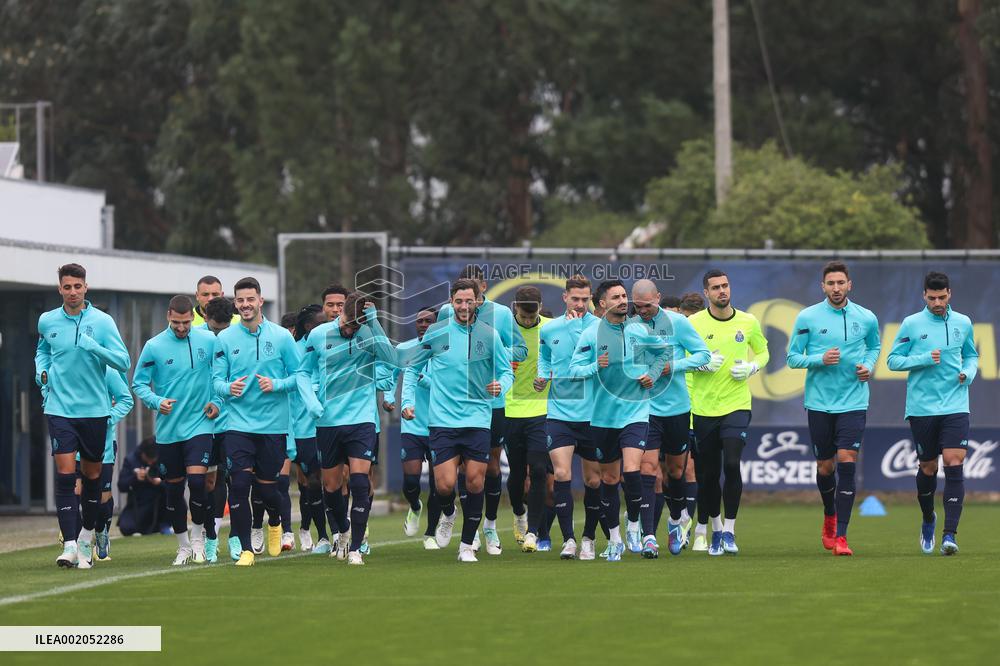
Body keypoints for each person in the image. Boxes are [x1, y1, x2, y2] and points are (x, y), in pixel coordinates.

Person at [401, 278, 514, 563]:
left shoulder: (490, 335)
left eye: (469, 301)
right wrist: (407, 402)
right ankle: (449, 514)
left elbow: (506, 371)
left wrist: (501, 385)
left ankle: (466, 545)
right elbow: (412, 369)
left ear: (478, 301)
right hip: (442, 422)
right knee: (444, 485)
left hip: (477, 420)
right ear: (451, 302)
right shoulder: (437, 333)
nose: (464, 306)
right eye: (458, 301)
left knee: (475, 482)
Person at [36, 263, 131, 569]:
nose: (73, 292)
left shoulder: (103, 322)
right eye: (67, 287)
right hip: (60, 409)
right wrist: (42, 372)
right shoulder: (47, 320)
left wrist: (93, 347)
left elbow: (123, 361)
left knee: (91, 480)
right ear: (59, 289)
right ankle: (70, 544)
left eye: (78, 286)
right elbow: (43, 352)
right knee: (66, 478)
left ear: (86, 287)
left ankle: (88, 536)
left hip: (95, 412)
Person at [569, 280, 671, 562]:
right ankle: (615, 539)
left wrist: (651, 372)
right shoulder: (591, 333)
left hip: (635, 412)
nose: (623, 300)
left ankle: (635, 522)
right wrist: (593, 366)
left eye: (624, 295)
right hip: (602, 418)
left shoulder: (639, 328)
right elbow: (573, 369)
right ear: (602, 303)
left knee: (632, 469)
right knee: (609, 479)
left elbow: (663, 351)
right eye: (616, 297)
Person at [787, 261, 880, 556]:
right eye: (831, 284)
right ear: (823, 287)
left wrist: (868, 366)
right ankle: (830, 515)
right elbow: (792, 357)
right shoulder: (807, 317)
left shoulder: (866, 318)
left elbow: (874, 347)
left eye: (841, 283)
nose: (836, 288)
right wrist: (818, 359)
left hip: (854, 400)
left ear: (849, 284)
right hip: (819, 402)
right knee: (825, 467)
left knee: (847, 458)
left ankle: (841, 536)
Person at [297, 292, 396, 566]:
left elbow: (390, 357)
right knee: (331, 486)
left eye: (357, 326)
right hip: (328, 421)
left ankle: (355, 548)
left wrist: (374, 324)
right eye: (348, 324)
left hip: (362, 418)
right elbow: (302, 373)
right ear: (341, 314)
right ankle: (342, 531)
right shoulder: (319, 335)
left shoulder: (368, 333)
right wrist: (312, 402)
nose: (351, 330)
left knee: (360, 481)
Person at [212, 277, 302, 567]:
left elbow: (300, 376)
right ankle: (247, 549)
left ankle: (275, 522)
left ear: (260, 301)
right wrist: (228, 389)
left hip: (273, 427)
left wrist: (276, 385)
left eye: (251, 299)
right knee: (238, 485)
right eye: (240, 300)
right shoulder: (225, 338)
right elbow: (216, 381)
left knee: (267, 490)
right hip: (237, 426)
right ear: (235, 304)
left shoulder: (281, 337)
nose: (246, 304)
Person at [887, 271, 978, 556]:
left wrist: (968, 372)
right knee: (928, 468)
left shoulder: (963, 322)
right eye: (932, 298)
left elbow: (972, 355)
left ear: (949, 293)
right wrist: (924, 359)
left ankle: (950, 535)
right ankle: (928, 518)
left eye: (942, 297)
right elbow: (892, 361)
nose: (937, 302)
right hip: (922, 408)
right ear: (924, 296)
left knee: (954, 461)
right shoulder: (911, 324)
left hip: (955, 405)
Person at [437, 266, 527, 544]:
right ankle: (466, 527)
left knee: (488, 468)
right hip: (454, 404)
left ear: (482, 289)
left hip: (491, 401)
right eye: (461, 296)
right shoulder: (445, 313)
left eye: (473, 292)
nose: (467, 301)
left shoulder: (500, 314)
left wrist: (493, 352)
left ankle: (489, 523)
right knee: (457, 472)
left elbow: (521, 350)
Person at [132, 295, 221, 565]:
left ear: (192, 319)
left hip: (201, 425)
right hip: (169, 430)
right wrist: (157, 402)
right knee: (173, 490)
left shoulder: (209, 341)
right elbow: (139, 384)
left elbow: (221, 376)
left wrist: (217, 402)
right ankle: (182, 545)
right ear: (168, 316)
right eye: (176, 322)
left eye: (185, 323)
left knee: (197, 482)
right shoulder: (154, 346)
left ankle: (198, 539)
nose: (181, 328)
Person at [688, 269, 769, 556]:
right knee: (708, 475)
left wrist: (752, 367)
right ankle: (716, 527)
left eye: (725, 286)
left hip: (736, 404)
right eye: (715, 287)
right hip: (703, 408)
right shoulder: (693, 323)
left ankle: (730, 532)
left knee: (732, 464)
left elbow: (763, 352)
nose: (722, 291)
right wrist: (699, 364)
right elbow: (681, 356)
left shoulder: (747, 322)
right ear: (706, 293)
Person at [631, 280, 710, 556]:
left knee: (675, 472)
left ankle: (676, 520)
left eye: (648, 306)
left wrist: (671, 366)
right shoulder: (631, 327)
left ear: (659, 298)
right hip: (645, 409)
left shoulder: (678, 323)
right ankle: (649, 536)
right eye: (638, 306)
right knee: (648, 470)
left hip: (676, 409)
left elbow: (703, 355)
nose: (643, 311)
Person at [535, 275, 603, 560]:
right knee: (561, 475)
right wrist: (542, 375)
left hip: (593, 414)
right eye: (575, 299)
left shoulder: (600, 328)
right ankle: (569, 540)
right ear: (564, 298)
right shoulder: (550, 329)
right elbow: (545, 358)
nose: (580, 304)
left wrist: (578, 329)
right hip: (560, 413)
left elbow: (600, 366)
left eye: (585, 299)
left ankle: (588, 537)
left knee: (594, 481)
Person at [504, 286, 552, 554]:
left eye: (532, 317)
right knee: (517, 474)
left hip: (541, 411)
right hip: (510, 410)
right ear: (515, 310)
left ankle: (533, 532)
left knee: (539, 470)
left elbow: (563, 360)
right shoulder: (503, 331)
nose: (528, 321)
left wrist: (551, 375)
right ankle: (519, 512)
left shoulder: (552, 328)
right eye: (524, 317)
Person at [68, 368, 133, 561]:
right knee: (76, 491)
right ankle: (77, 540)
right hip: (75, 441)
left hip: (102, 442)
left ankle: (101, 529)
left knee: (102, 497)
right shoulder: (69, 369)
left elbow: (126, 400)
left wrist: (106, 419)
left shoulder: (109, 372)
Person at [399, 306, 443, 549]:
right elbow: (391, 371)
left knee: (439, 485)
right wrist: (389, 398)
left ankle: (430, 534)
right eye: (420, 321)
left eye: (429, 321)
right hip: (412, 424)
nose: (423, 324)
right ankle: (415, 506)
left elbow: (444, 385)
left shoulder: (444, 351)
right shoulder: (405, 349)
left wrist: (421, 379)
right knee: (411, 481)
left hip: (438, 423)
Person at [289, 305, 331, 553]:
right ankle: (321, 535)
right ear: (307, 327)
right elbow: (292, 384)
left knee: (334, 481)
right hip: (304, 428)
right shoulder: (294, 349)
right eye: (320, 322)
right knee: (312, 482)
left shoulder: (331, 343)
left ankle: (338, 532)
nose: (326, 326)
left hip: (331, 423)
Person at [199, 295, 236, 562]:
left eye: (223, 329)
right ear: (205, 318)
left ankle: (236, 536)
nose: (219, 335)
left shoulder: (236, 339)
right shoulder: (196, 339)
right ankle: (210, 535)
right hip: (204, 423)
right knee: (209, 481)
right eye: (215, 329)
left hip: (233, 422)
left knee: (236, 479)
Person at [117, 438, 165, 536]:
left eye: (153, 461)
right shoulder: (131, 460)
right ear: (142, 453)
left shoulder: (163, 458)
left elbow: (175, 482)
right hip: (138, 503)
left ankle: (165, 525)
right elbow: (121, 486)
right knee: (126, 527)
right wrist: (135, 478)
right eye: (148, 460)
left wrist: (160, 482)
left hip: (159, 502)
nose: (150, 464)